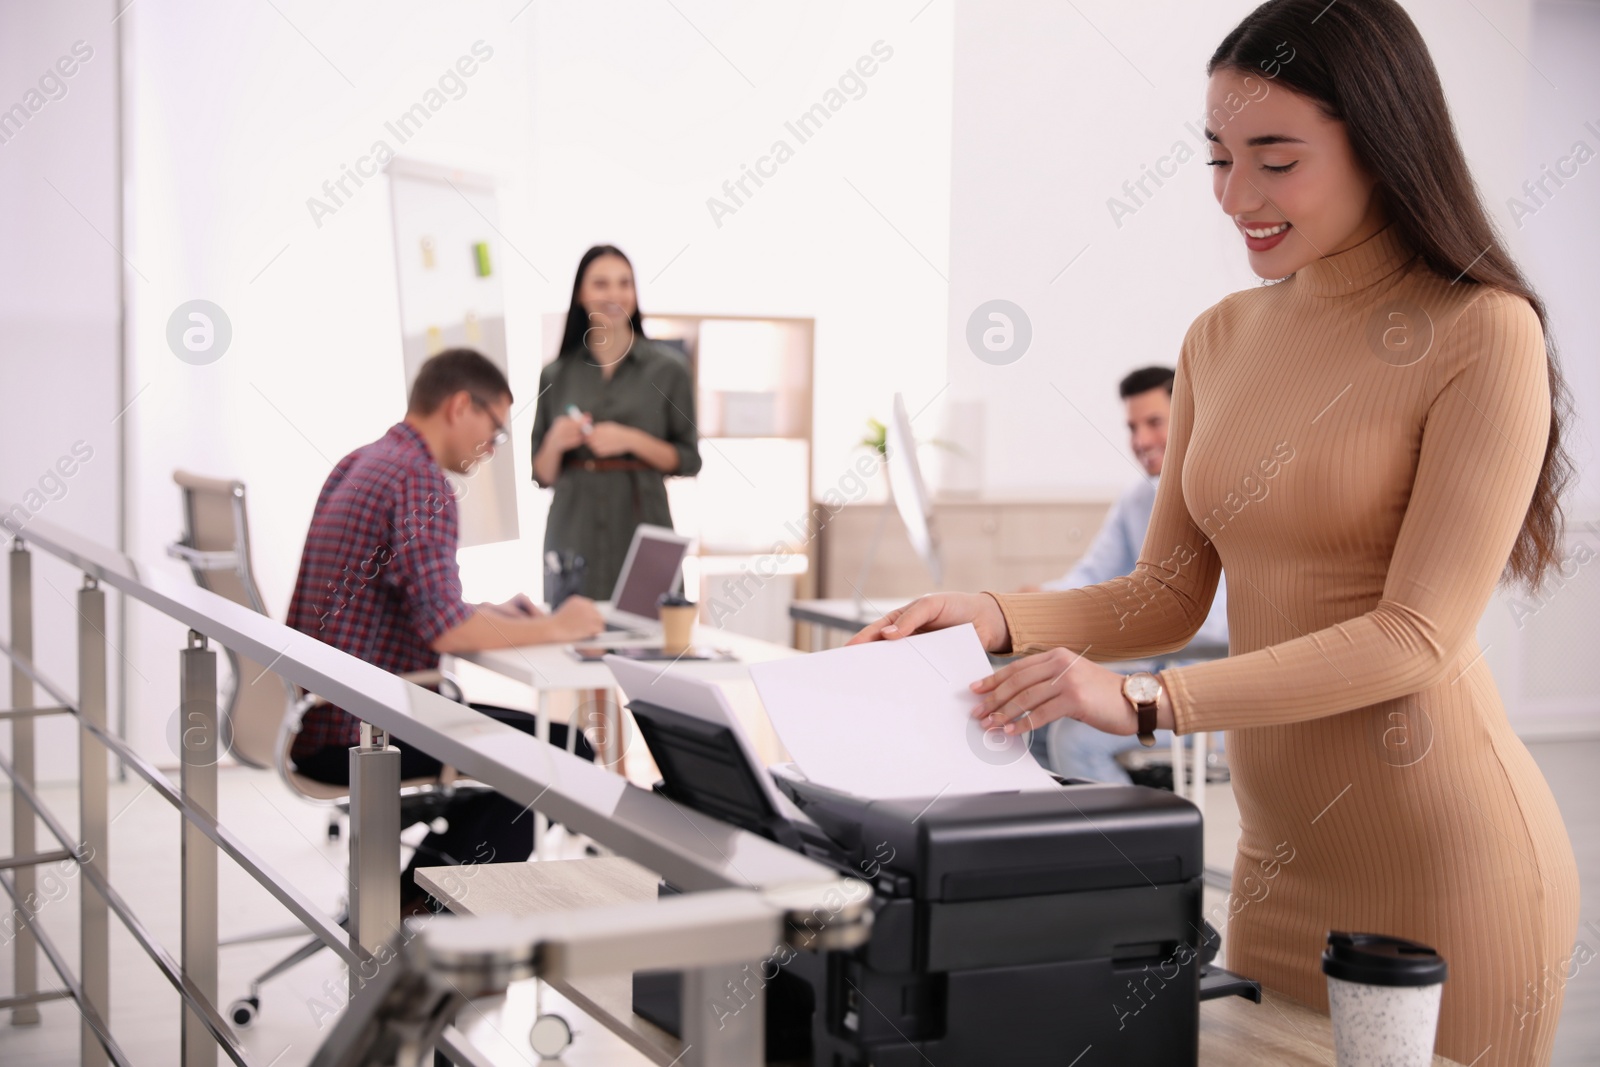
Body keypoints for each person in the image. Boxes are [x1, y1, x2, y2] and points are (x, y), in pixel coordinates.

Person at [850, 2, 1580, 1063]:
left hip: (1447, 873)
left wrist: (1151, 699)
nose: (1237, 197)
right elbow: (1166, 592)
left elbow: (1413, 635)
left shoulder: (1481, 332)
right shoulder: (1219, 338)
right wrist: (992, 614)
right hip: (1275, 874)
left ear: (1379, 141)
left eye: (1275, 160)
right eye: (1217, 157)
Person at [286, 348, 604, 910]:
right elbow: (447, 630)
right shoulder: (421, 483)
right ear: (461, 406)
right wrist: (560, 625)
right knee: (564, 750)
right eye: (496, 429)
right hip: (363, 731)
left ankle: (415, 897)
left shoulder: (362, 461)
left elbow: (416, 601)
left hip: (320, 715)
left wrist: (493, 612)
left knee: (533, 750)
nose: (493, 445)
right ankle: (419, 911)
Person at [1020, 366, 1229, 783]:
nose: (1139, 441)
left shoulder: (1224, 497)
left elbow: (1214, 626)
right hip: (1152, 674)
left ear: (1190, 420)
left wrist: (1115, 630)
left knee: (1076, 739)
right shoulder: (1138, 499)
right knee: (1033, 722)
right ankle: (1064, 844)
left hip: (1210, 692)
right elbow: (1092, 575)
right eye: (1133, 426)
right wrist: (1029, 603)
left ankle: (1127, 849)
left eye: (1154, 423)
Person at [531, 245, 702, 600]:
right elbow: (542, 474)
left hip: (644, 527)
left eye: (624, 283)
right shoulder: (556, 373)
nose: (615, 294)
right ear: (580, 293)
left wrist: (630, 440)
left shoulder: (669, 370)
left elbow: (688, 460)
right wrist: (556, 442)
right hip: (572, 530)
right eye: (601, 284)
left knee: (654, 640)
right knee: (569, 642)